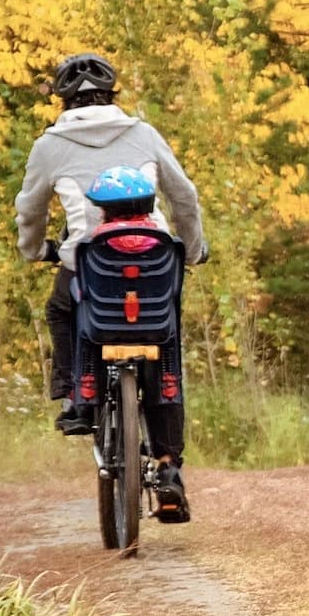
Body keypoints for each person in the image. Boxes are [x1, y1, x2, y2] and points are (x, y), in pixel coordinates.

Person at [15, 53, 207, 437]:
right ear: (111, 94)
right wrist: (191, 248)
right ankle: (169, 461)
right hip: (154, 257)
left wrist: (35, 250)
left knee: (61, 309)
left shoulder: (49, 146)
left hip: (89, 262)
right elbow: (184, 196)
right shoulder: (143, 134)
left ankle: (75, 397)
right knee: (163, 331)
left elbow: (30, 211)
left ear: (63, 100)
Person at [76, 165, 191, 522]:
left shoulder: (92, 244)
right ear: (148, 205)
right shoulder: (166, 244)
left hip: (102, 333)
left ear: (102, 208)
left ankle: (86, 389)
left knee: (77, 307)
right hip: (156, 333)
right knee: (169, 349)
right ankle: (169, 466)